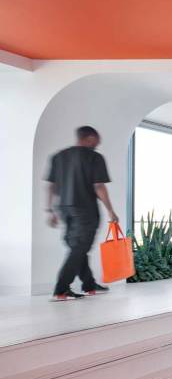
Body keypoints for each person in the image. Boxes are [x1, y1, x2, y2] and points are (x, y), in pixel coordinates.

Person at [45, 125, 119, 301]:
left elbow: (51, 186)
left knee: (77, 247)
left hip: (63, 208)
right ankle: (61, 289)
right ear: (90, 139)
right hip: (85, 209)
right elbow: (99, 186)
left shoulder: (58, 156)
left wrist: (50, 210)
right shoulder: (94, 157)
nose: (98, 144)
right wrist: (110, 210)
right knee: (79, 248)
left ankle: (89, 284)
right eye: (97, 141)